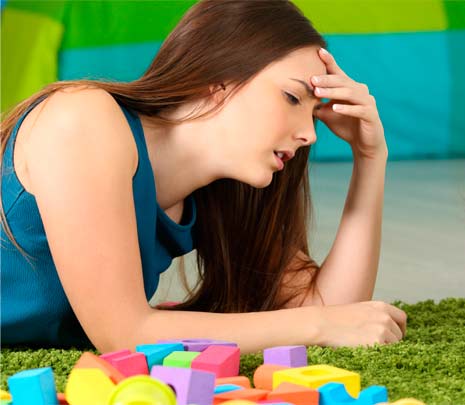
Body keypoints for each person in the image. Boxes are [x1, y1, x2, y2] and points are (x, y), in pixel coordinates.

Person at [1, 0, 406, 353]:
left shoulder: (219, 191)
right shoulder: (82, 120)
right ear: (218, 82)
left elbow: (333, 310)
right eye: (292, 97)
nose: (309, 134)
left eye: (314, 112)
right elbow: (123, 333)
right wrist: (318, 327)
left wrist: (370, 157)